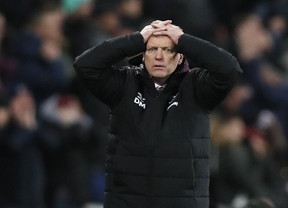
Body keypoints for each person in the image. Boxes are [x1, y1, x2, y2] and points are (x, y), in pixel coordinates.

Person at [73, 20, 242, 208]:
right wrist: (136, 39)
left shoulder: (196, 87)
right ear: (143, 54)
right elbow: (85, 65)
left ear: (180, 57)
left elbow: (229, 69)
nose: (159, 56)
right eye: (152, 49)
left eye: (168, 50)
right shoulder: (124, 83)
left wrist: (183, 39)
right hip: (127, 201)